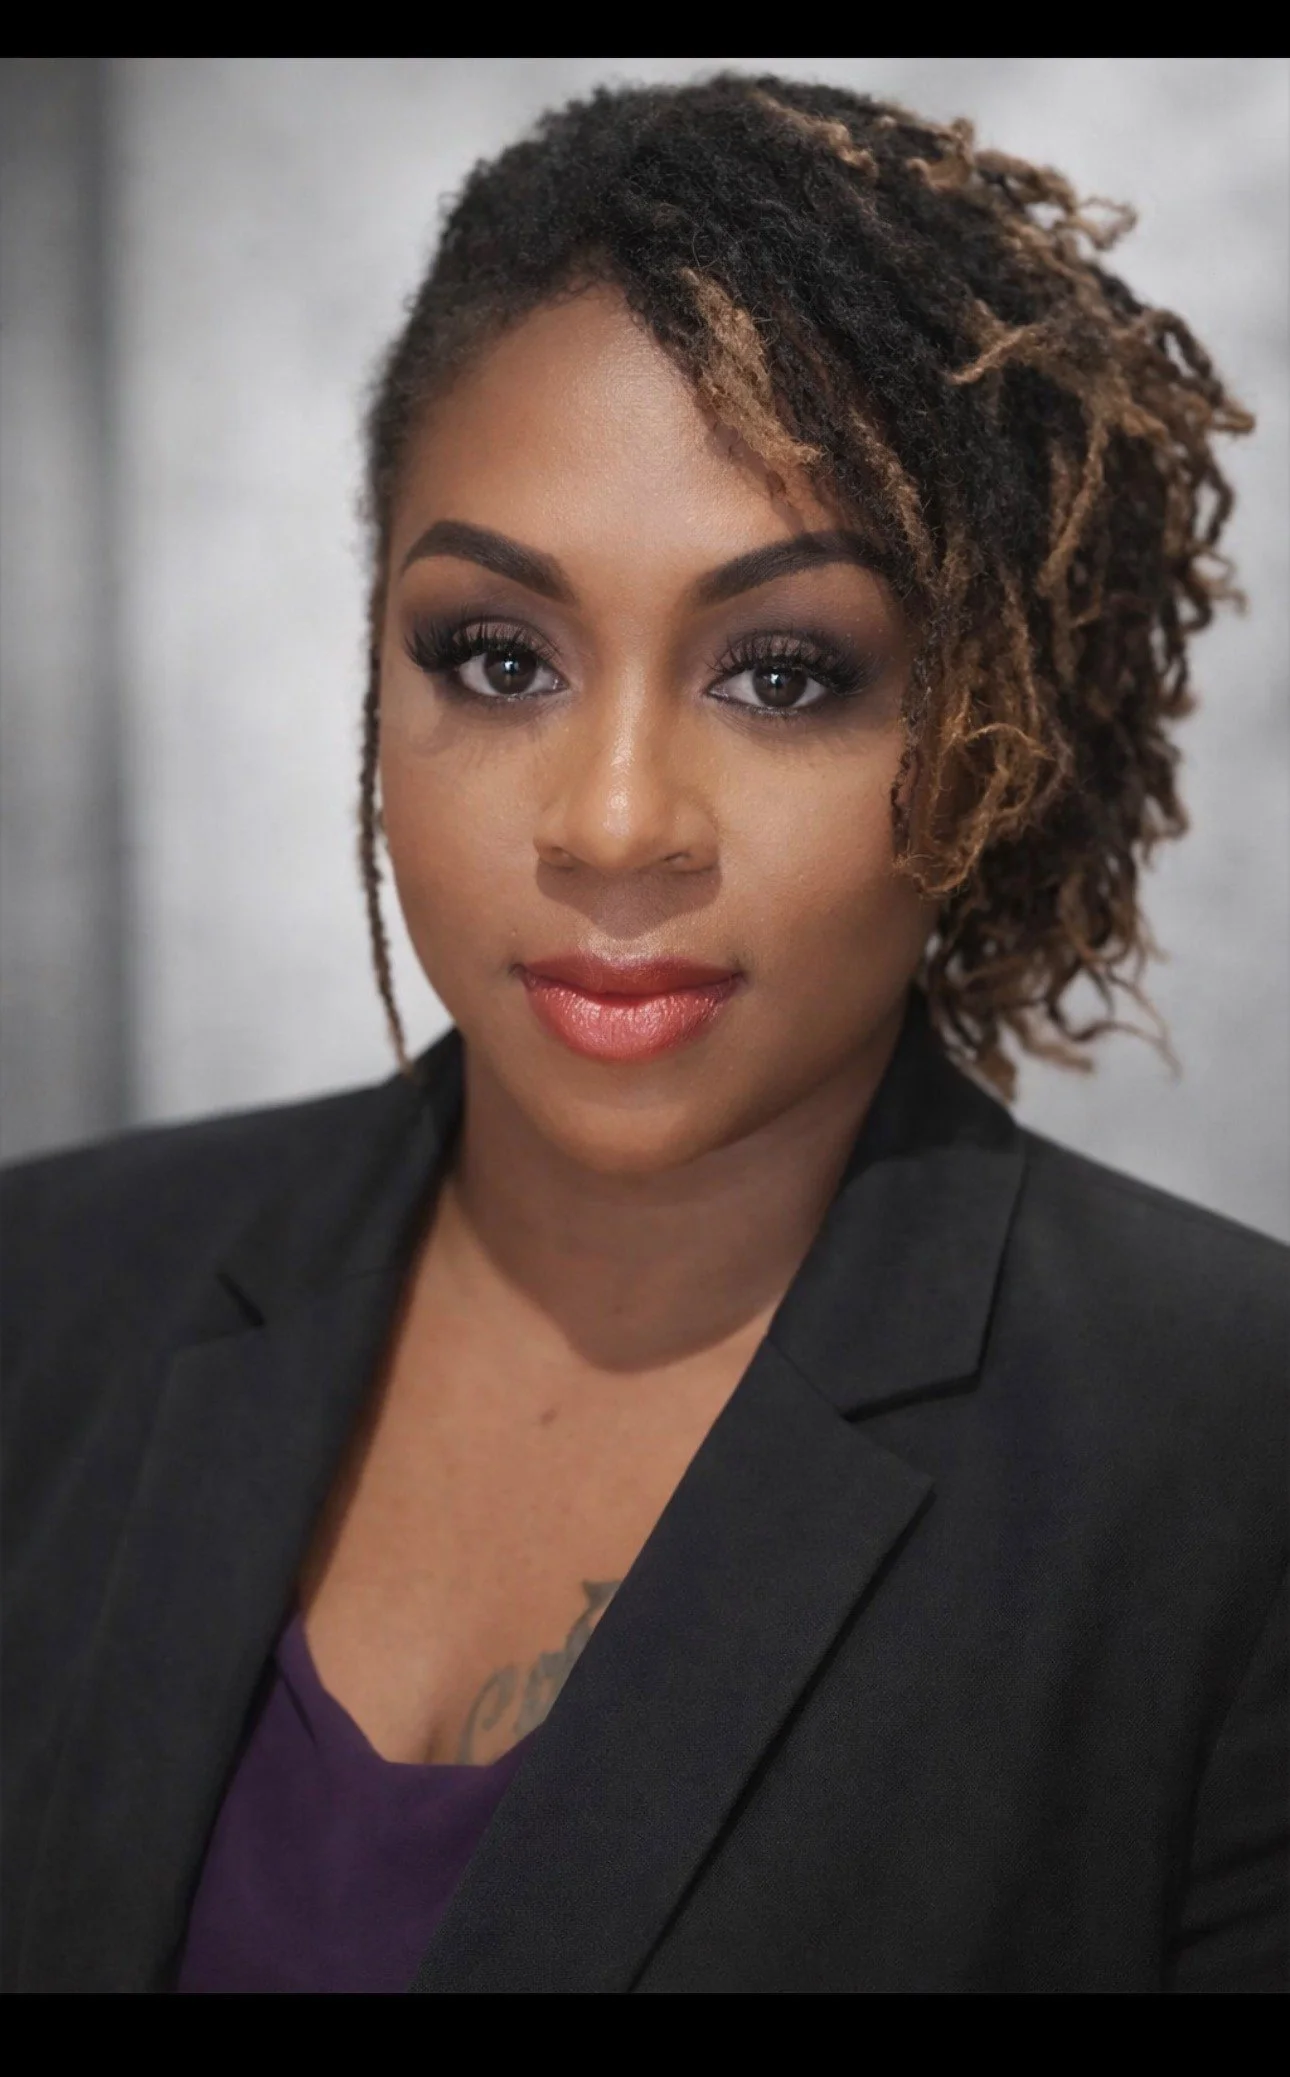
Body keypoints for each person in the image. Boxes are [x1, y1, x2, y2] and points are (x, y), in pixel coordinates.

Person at [3, 75, 1285, 1995]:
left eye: (786, 674)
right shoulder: (40, 1297)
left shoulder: (1232, 1466)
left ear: (996, 732)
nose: (611, 823)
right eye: (497, 657)